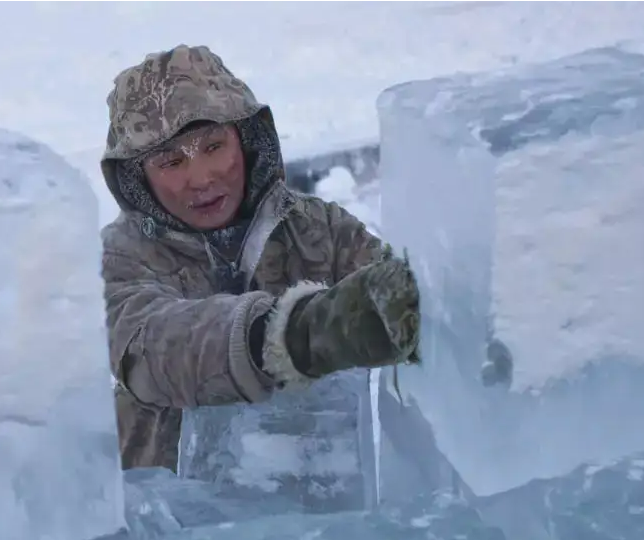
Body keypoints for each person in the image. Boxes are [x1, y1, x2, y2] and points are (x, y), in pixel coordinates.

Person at [100, 44, 420, 471]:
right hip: (170, 518)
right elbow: (151, 351)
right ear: (139, 181)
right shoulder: (118, 258)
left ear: (247, 143)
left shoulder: (318, 228)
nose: (202, 178)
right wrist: (295, 333)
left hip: (317, 507)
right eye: (171, 161)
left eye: (214, 146)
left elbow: (409, 299)